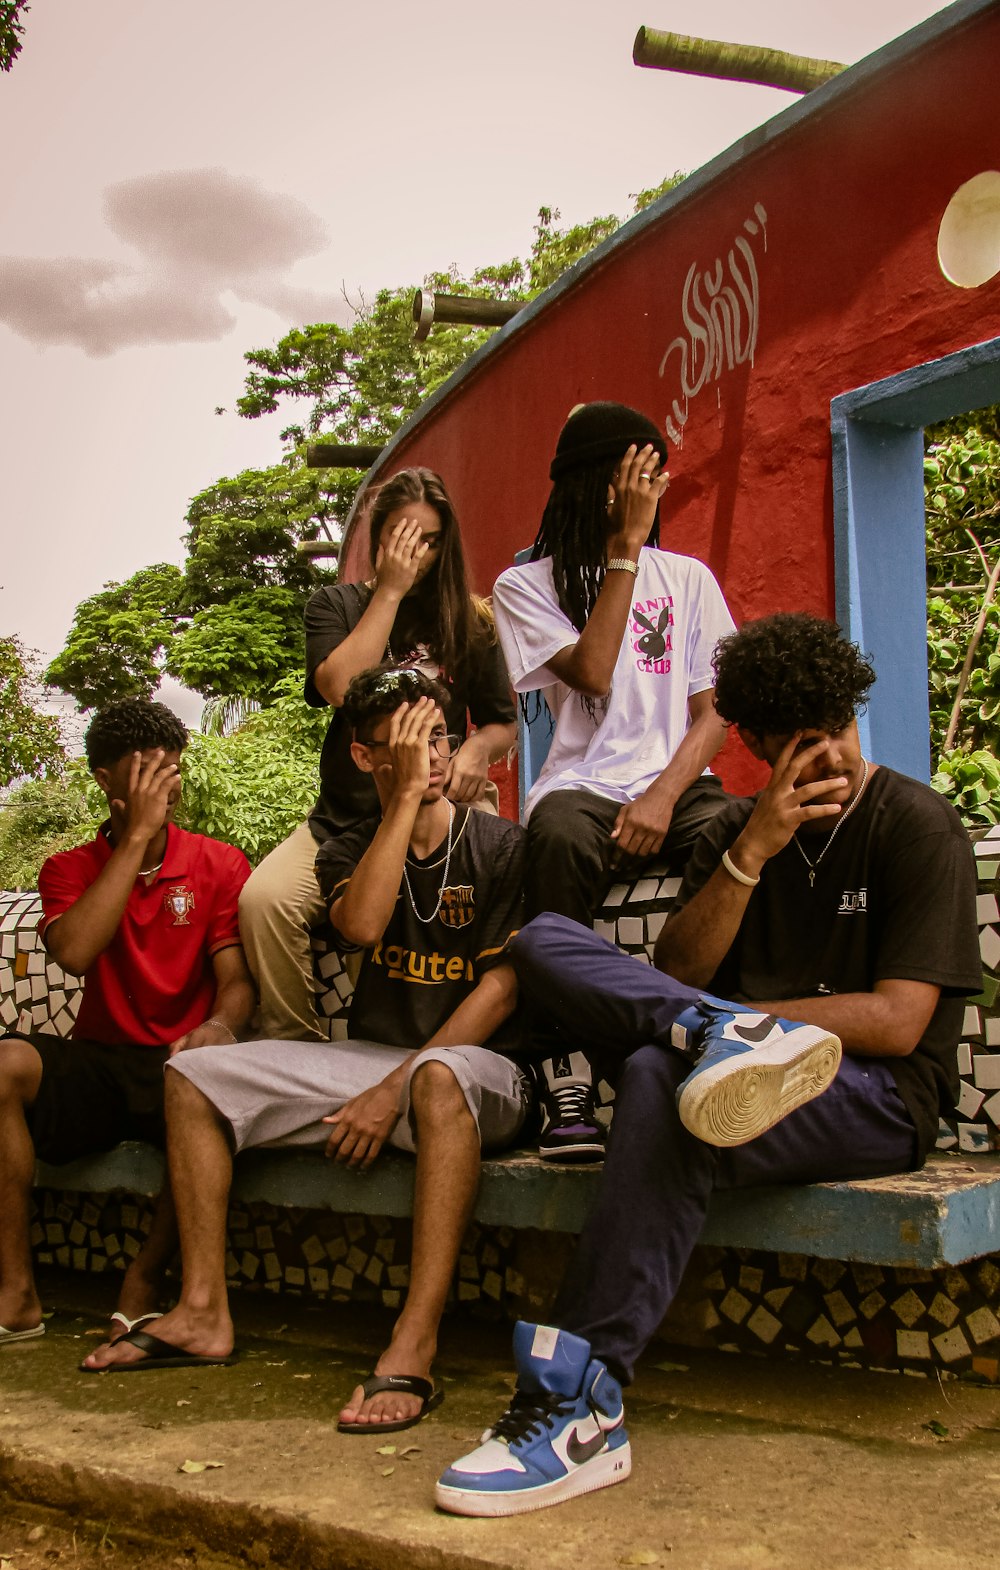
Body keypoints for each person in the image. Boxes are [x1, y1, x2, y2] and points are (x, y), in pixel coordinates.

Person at [435, 613, 982, 1516]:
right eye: (804, 744)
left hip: (872, 1097)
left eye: (839, 731)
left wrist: (728, 1021)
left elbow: (895, 1021)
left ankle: (582, 1403)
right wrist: (750, 852)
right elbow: (677, 970)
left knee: (663, 1076)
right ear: (762, 746)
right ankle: (712, 1042)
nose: (834, 760)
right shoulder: (734, 827)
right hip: (730, 1072)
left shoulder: (915, 826)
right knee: (541, 941)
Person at [83, 666, 531, 1437]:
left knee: (436, 1079)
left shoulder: (504, 846)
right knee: (193, 1074)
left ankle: (414, 1343)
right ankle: (201, 1310)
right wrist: (400, 811)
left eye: (440, 739)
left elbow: (501, 994)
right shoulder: (350, 846)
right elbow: (359, 925)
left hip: (485, 1076)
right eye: (408, 742)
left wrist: (393, 1087)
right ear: (366, 758)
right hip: (374, 1059)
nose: (430, 757)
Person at [491, 400, 735, 1159]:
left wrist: (663, 794)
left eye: (654, 478)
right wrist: (626, 549)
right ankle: (565, 1071)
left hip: (675, 782)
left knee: (743, 832)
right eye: (635, 476)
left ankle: (723, 1032)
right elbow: (593, 671)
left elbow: (716, 708)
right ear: (596, 483)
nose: (648, 492)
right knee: (556, 838)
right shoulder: (525, 585)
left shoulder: (689, 579)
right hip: (584, 786)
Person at [0, 699, 254, 1348]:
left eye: (169, 772)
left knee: (196, 1086)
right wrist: (137, 838)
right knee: (3, 1066)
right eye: (143, 774)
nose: (160, 789)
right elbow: (76, 951)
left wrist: (220, 1027)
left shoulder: (219, 864)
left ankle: (143, 1282)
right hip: (102, 1060)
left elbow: (235, 983)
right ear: (106, 781)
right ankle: (17, 1294)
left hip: (181, 1064)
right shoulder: (68, 869)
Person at [238, 468, 517, 1041]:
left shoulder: (472, 618)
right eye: (401, 537)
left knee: (495, 904)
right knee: (265, 901)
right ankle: (294, 1049)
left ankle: (467, 1047)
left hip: (446, 815)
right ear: (377, 539)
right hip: (348, 819)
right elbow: (341, 688)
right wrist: (388, 590)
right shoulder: (335, 605)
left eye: (430, 540)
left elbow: (500, 723)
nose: (416, 553)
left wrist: (475, 753)